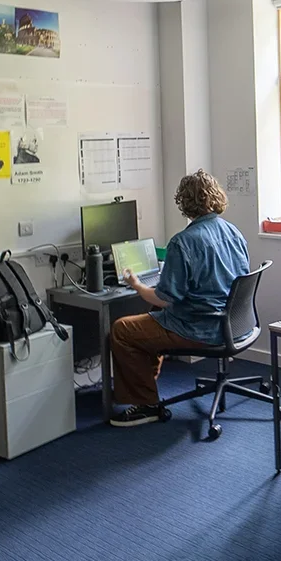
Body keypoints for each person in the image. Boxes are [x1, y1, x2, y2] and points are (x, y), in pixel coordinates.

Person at [108, 170, 250, 427]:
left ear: (183, 203)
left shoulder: (183, 242)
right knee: (150, 316)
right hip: (233, 323)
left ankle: (146, 404)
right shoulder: (233, 232)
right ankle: (146, 387)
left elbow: (165, 298)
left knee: (123, 329)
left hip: (200, 328)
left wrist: (137, 284)